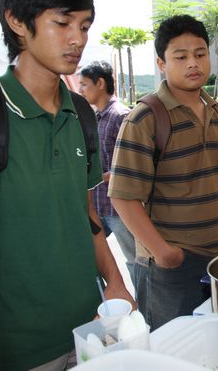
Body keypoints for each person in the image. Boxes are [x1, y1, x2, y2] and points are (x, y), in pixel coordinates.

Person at [0, 0, 134, 371]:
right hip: (19, 349)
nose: (77, 39)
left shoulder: (81, 112)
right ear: (17, 22)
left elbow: (87, 215)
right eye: (62, 23)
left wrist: (116, 283)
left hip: (94, 330)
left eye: (84, 26)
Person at [108, 15, 218, 330]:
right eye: (180, 57)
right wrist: (162, 251)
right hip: (170, 265)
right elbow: (122, 196)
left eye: (200, 54)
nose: (193, 63)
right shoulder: (145, 118)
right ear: (161, 63)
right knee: (173, 347)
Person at [79, 61, 136, 285]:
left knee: (135, 260)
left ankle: (143, 305)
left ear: (100, 83)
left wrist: (96, 178)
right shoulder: (97, 116)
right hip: (98, 205)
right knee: (88, 256)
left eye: (84, 84)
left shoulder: (120, 116)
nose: (80, 90)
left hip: (119, 207)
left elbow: (131, 165)